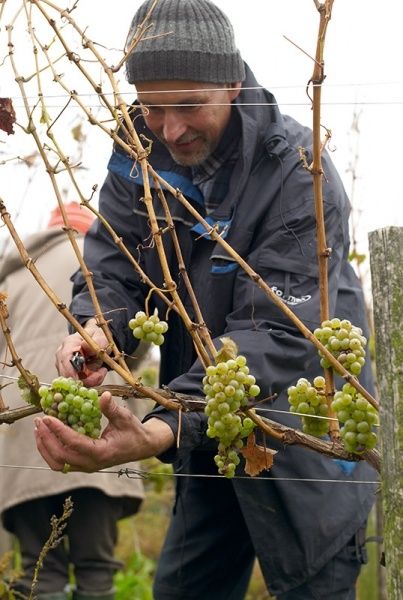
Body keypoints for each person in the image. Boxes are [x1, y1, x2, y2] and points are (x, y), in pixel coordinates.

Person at [34, 1, 378, 598]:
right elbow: (114, 266)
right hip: (208, 437)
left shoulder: (298, 171)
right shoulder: (136, 154)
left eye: (188, 105)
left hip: (304, 440)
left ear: (232, 83)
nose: (169, 129)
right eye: (152, 107)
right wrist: (98, 329)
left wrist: (167, 423)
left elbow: (274, 332)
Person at [0, 202, 145, 600]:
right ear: (90, 230)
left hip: (26, 443)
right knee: (96, 569)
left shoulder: (12, 277)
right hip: (99, 437)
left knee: (37, 570)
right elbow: (135, 349)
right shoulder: (105, 268)